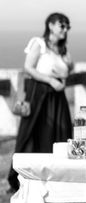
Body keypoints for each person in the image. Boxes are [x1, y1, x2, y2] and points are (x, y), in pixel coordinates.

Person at [7, 13, 74, 193]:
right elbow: (28, 67)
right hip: (39, 94)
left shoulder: (63, 49)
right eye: (62, 25)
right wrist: (50, 80)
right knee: (34, 133)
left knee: (60, 133)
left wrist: (63, 69)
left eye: (67, 27)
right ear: (51, 25)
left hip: (57, 96)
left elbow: (67, 70)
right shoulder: (39, 43)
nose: (65, 29)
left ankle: (55, 177)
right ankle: (22, 177)